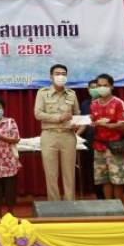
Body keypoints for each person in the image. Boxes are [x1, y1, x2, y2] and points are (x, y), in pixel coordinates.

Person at [34, 64, 80, 201]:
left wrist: (77, 123)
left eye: (63, 74)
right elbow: (38, 114)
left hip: (68, 135)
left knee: (69, 172)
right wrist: (58, 118)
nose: (61, 76)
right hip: (49, 135)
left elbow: (76, 113)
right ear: (51, 76)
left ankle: (70, 202)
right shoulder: (42, 93)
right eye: (57, 73)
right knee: (51, 173)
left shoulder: (72, 94)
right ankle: (54, 204)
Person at [91, 74, 124, 200]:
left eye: (105, 85)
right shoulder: (94, 104)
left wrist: (106, 125)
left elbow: (122, 126)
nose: (102, 88)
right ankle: (109, 206)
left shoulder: (119, 103)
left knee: (117, 179)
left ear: (111, 86)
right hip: (98, 146)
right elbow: (93, 122)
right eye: (99, 85)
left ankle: (118, 206)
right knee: (104, 179)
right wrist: (89, 123)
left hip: (114, 146)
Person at [78, 79, 105, 199]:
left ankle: (106, 194)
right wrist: (76, 135)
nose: (94, 90)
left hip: (103, 139)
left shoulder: (106, 102)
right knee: (91, 167)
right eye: (92, 87)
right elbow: (83, 122)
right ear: (88, 90)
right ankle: (97, 192)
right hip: (89, 139)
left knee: (103, 167)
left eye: (96, 87)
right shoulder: (84, 104)